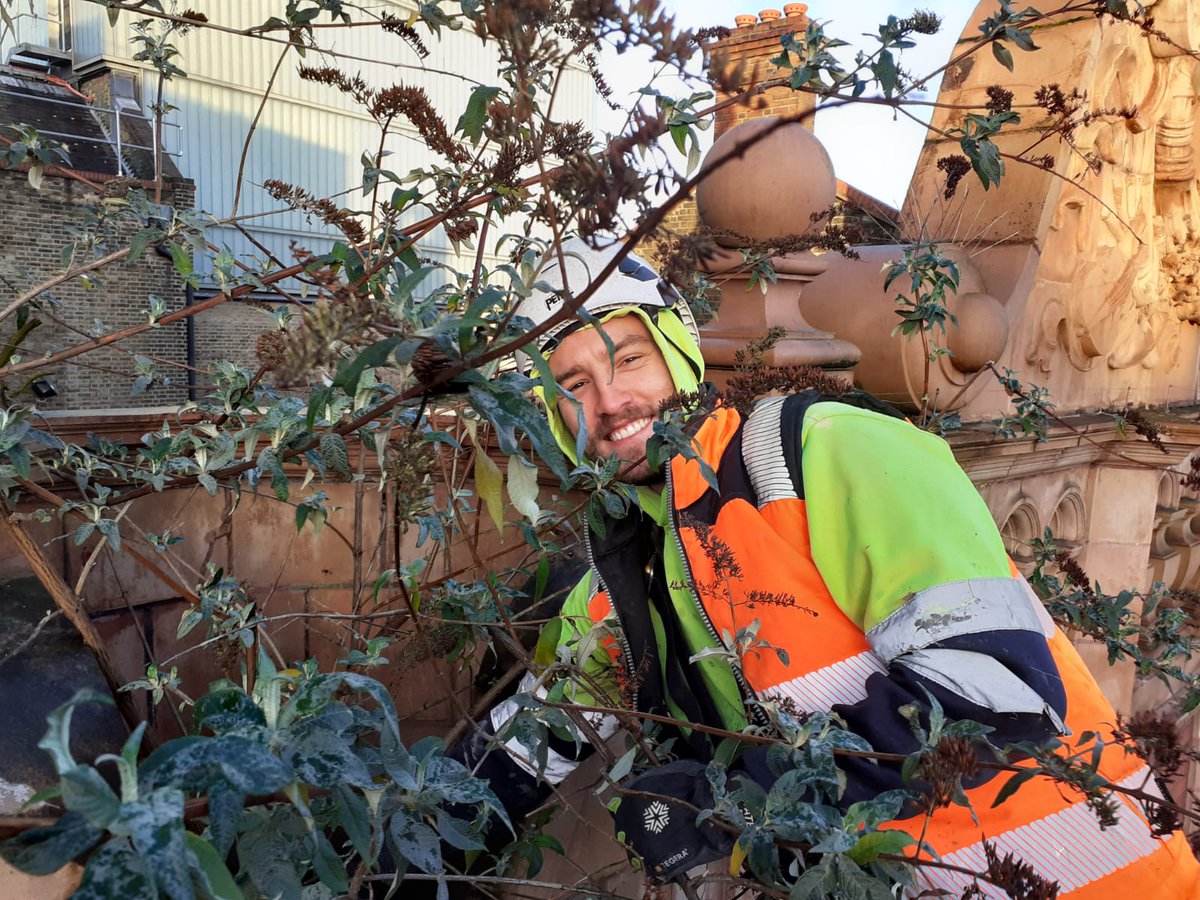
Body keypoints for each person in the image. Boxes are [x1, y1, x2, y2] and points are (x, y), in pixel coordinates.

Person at [452, 239, 1200, 897]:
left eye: (629, 358)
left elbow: (998, 695)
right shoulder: (631, 576)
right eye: (572, 386)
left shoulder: (827, 453)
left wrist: (731, 799)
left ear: (679, 353)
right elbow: (530, 740)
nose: (610, 401)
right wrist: (413, 845)